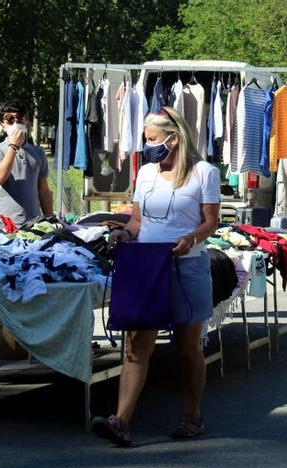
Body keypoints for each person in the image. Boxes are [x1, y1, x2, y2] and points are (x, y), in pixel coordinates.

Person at [92, 108, 220, 446]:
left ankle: (192, 416)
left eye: (151, 139)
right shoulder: (146, 173)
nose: (147, 146)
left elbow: (211, 221)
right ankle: (121, 420)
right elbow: (137, 220)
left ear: (173, 138)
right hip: (146, 265)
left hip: (186, 265)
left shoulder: (204, 172)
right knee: (136, 345)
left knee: (188, 346)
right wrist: (125, 234)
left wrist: (191, 238)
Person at [0, 101, 53, 226]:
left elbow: (43, 191)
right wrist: (13, 146)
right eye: (10, 119)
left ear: (26, 122)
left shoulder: (38, 152)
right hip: (6, 225)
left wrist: (50, 220)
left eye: (19, 119)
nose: (15, 123)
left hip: (35, 223)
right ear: (3, 124)